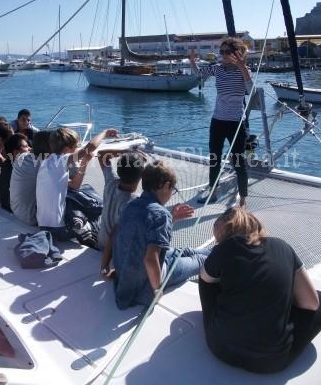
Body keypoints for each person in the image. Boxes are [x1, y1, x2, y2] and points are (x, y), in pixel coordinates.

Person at [199, 207, 321, 374]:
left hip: (219, 347)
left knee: (207, 281)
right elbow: (311, 303)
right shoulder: (282, 246)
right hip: (270, 363)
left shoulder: (224, 248)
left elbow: (205, 280)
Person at [113, 160, 211, 309]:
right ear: (165, 186)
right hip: (145, 284)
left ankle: (216, 250)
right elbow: (150, 259)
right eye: (173, 190)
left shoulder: (129, 205)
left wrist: (172, 218)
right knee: (199, 260)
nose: (172, 194)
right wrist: (157, 290)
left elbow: (142, 232)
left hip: (127, 277)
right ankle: (223, 254)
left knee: (183, 251)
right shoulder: (161, 215)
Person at [196, 38, 254, 207]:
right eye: (221, 52)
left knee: (238, 161)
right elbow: (199, 74)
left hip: (236, 122)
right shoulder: (217, 69)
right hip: (217, 121)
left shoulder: (244, 70)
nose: (223, 55)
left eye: (227, 52)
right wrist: (193, 62)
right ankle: (212, 193)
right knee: (214, 159)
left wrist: (242, 67)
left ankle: (243, 199)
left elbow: (251, 91)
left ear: (237, 53)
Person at [36, 127, 117, 241]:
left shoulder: (47, 163)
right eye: (76, 146)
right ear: (67, 149)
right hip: (59, 229)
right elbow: (89, 148)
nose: (78, 149)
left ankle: (81, 225)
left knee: (78, 194)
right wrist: (105, 133)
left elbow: (75, 185)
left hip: (44, 226)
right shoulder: (61, 160)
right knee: (98, 213)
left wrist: (84, 163)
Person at [98, 151, 146, 276]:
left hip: (101, 241)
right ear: (141, 177)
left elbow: (101, 155)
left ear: (119, 171)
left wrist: (125, 153)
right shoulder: (134, 202)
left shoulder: (111, 182)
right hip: (114, 251)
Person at [10, 130, 51, 225]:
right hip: (32, 217)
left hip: (18, 212)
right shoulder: (45, 165)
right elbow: (73, 185)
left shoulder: (22, 157)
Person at [0, 133, 30, 211]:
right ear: (16, 152)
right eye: (26, 146)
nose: (30, 148)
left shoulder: (6, 165)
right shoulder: (20, 169)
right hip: (17, 211)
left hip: (6, 206)